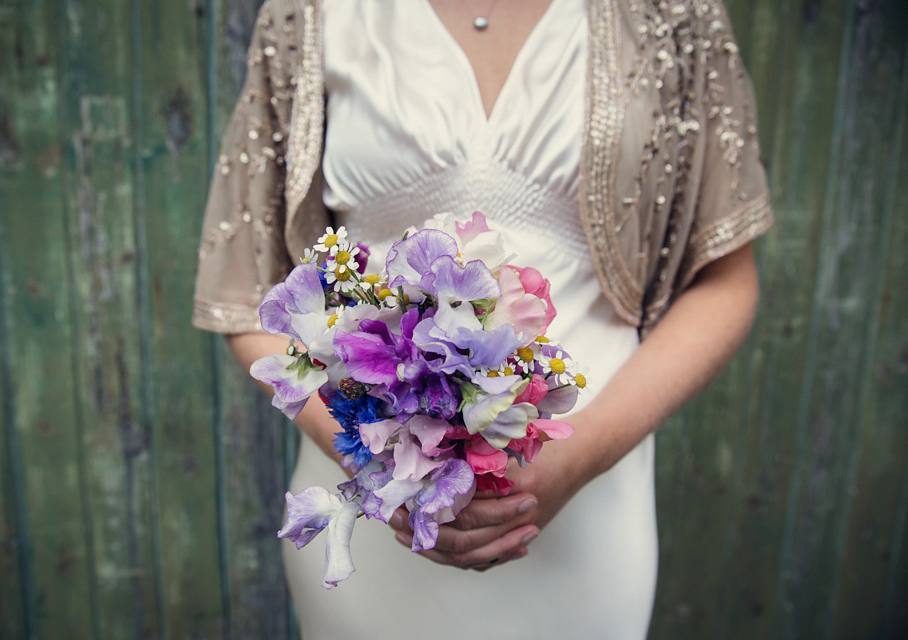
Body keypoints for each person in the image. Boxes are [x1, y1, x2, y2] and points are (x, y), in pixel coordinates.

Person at [193, 0, 773, 637]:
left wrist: (575, 461)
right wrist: (379, 466)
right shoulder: (309, 12)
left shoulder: (673, 14)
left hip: (584, 509)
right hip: (377, 508)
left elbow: (724, 281)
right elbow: (246, 293)